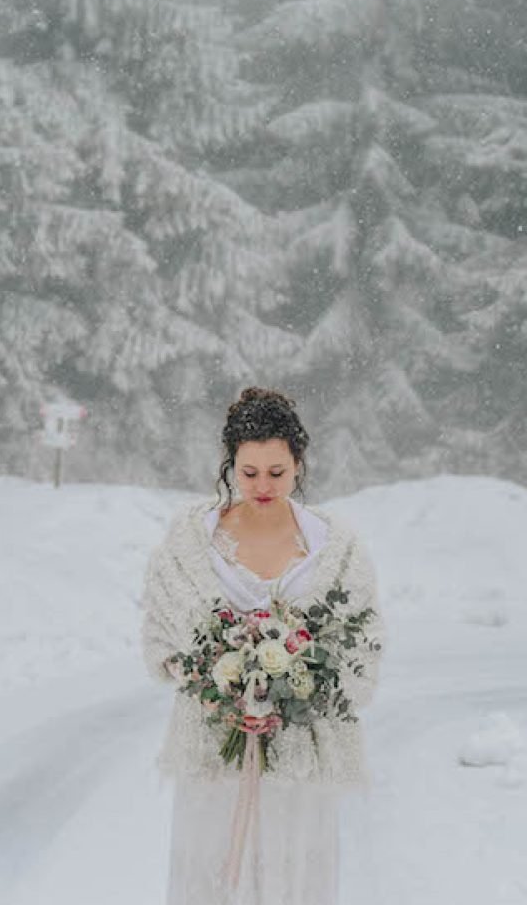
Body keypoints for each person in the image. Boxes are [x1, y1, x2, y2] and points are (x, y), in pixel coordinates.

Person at [140, 386, 385, 905]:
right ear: (230, 466)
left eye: (277, 471)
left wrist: (297, 685)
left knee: (290, 872)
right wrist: (220, 686)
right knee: (212, 869)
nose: (263, 485)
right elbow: (163, 635)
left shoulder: (335, 544)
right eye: (249, 472)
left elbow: (362, 642)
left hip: (300, 751)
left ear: (299, 464)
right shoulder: (191, 539)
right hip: (213, 745)